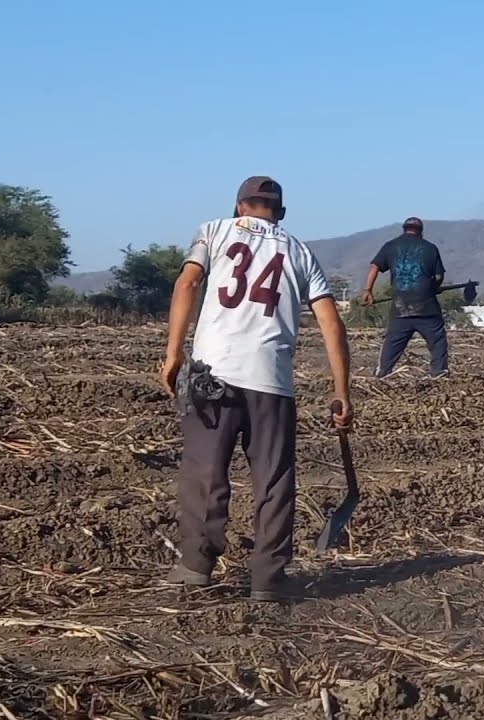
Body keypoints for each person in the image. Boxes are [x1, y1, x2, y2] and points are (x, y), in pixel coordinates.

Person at [159, 175, 353, 601]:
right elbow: (331, 323)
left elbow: (187, 283)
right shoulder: (300, 252)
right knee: (273, 480)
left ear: (238, 206)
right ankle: (268, 577)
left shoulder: (214, 231)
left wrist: (173, 352)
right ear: (280, 213)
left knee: (205, 471)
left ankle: (195, 565)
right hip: (271, 381)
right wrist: (341, 391)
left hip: (213, 374)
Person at [360, 217, 449, 377]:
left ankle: (382, 372)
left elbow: (374, 266)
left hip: (400, 307)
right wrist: (434, 288)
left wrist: (368, 290)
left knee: (392, 343)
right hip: (426, 307)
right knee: (437, 340)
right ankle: (439, 372)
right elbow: (438, 276)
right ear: (421, 231)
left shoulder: (390, 246)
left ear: (404, 229)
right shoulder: (430, 248)